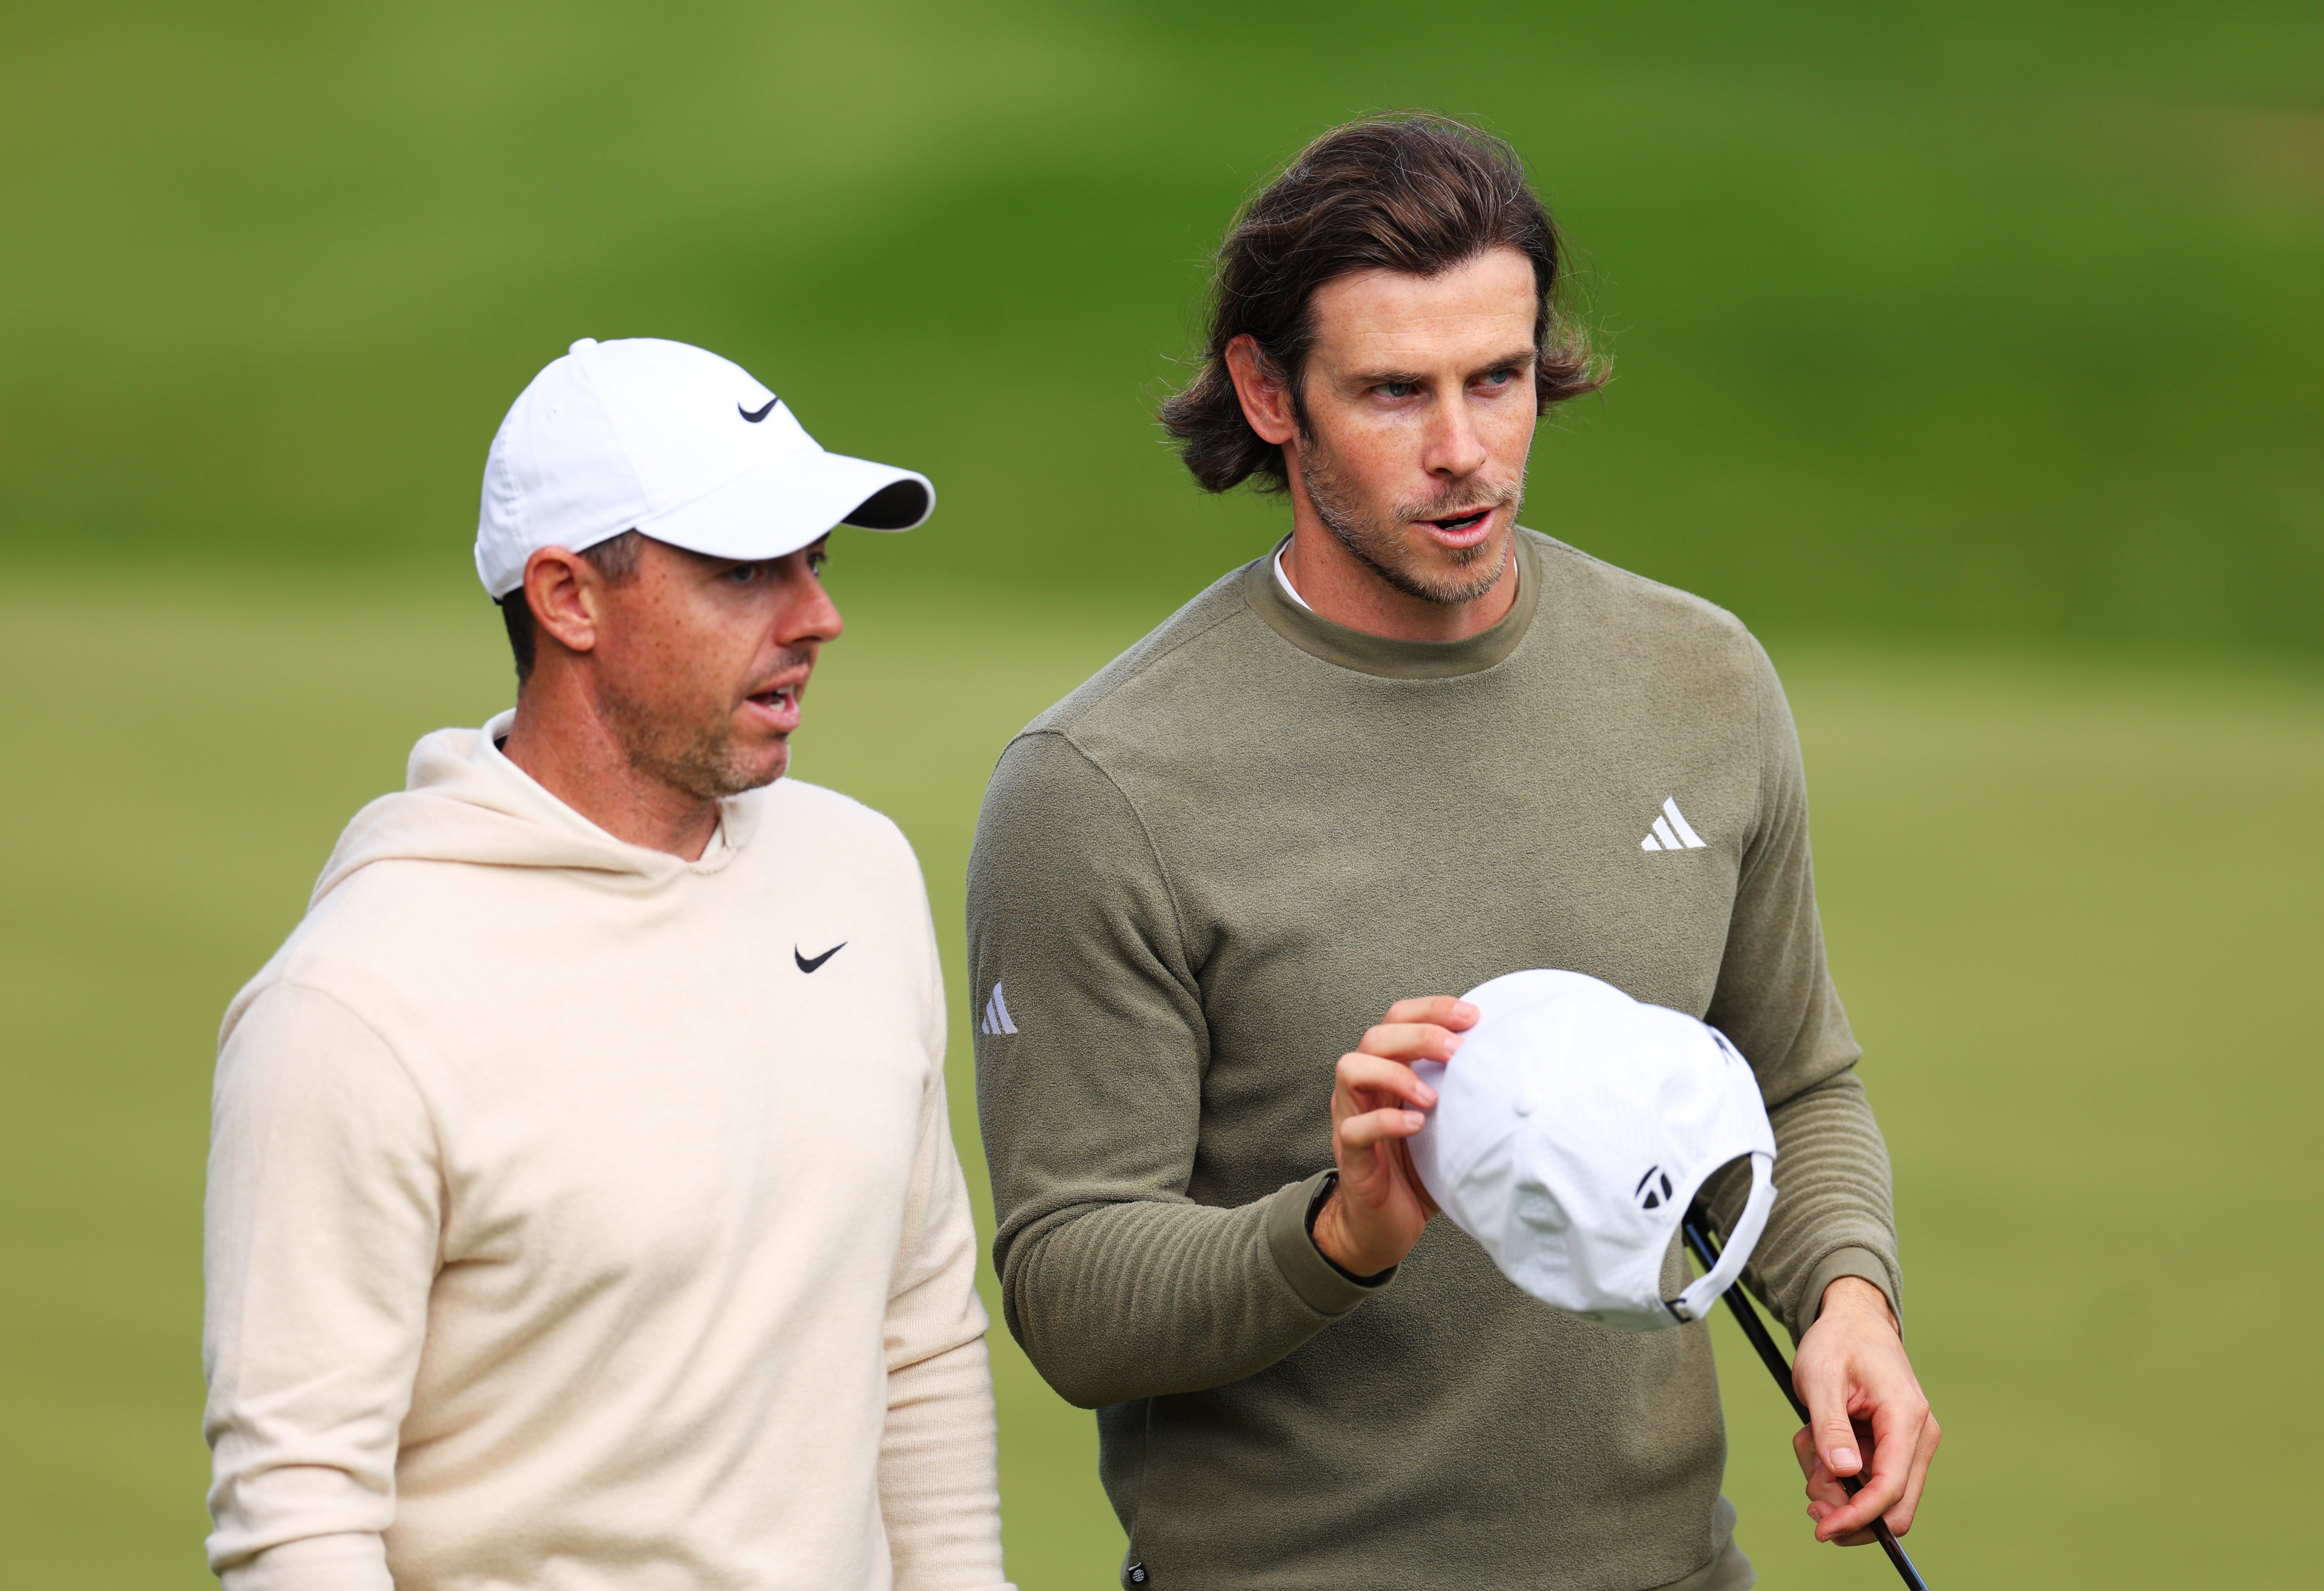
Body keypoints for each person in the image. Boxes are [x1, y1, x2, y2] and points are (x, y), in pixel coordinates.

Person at [967, 115, 1938, 1590]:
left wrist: (1846, 1299)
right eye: (1392, 392)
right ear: (1264, 392)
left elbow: (1791, 1076)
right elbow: (1071, 1292)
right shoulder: (1101, 786)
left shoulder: (1699, 680)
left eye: (1498, 377)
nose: (1463, 449)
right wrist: (1337, 1232)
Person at [203, 337, 1010, 1591]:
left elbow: (917, 1334)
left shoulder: (858, 873)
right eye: (747, 570)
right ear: (568, 597)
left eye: (818, 559)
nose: (818, 616)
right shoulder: (354, 1004)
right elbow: (299, 1508)